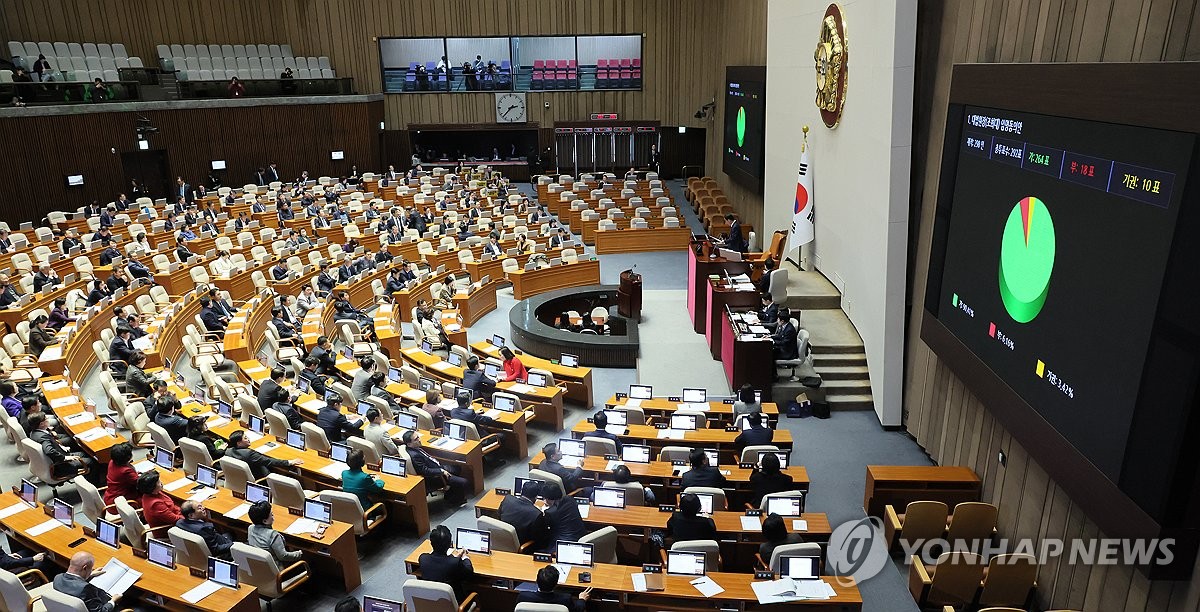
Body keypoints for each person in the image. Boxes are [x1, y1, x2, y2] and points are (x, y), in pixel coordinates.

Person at [403, 430, 468, 506]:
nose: (419, 439)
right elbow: (425, 471)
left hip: (437, 467)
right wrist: (441, 471)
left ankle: (449, 493)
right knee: (464, 482)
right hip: (435, 476)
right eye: (416, 439)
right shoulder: (414, 456)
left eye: (418, 437)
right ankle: (455, 500)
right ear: (409, 444)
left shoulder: (413, 448)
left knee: (457, 468)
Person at [30, 413, 95, 479]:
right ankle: (93, 483)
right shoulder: (42, 437)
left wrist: (60, 446)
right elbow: (49, 451)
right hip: (62, 465)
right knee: (92, 461)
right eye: (46, 419)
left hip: (60, 455)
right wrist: (64, 458)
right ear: (41, 424)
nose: (48, 420)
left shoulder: (34, 433)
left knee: (83, 453)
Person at [418, 525, 474, 599]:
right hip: (454, 604)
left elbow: (443, 563)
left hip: (430, 601)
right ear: (450, 544)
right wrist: (464, 557)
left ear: (431, 543)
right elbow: (469, 571)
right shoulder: (454, 563)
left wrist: (457, 557)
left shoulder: (423, 558)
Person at [54, 552, 119, 612]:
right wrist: (113, 601)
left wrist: (89, 575)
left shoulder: (57, 578)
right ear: (85, 568)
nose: (91, 570)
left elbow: (72, 582)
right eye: (91, 568)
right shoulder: (86, 588)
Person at [226, 430, 303, 478]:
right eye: (245, 438)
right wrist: (290, 462)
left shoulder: (228, 451)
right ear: (239, 443)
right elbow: (269, 461)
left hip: (241, 478)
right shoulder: (249, 453)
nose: (248, 439)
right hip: (260, 476)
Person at [247, 500, 303, 565]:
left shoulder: (250, 528)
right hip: (276, 570)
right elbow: (283, 556)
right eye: (271, 515)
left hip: (258, 566)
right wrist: (299, 553)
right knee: (309, 563)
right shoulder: (273, 535)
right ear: (265, 521)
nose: (273, 516)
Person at [500, 479, 549, 551]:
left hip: (502, 538)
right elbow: (539, 538)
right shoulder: (536, 514)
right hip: (521, 544)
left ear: (521, 491)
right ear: (536, 497)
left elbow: (498, 516)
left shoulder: (508, 499)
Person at [516, 565, 591, 612]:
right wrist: (582, 599)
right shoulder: (565, 599)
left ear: (536, 581)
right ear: (556, 584)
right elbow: (577, 610)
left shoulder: (523, 596)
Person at [542, 482, 586, 548]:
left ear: (547, 499)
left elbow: (547, 529)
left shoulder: (550, 512)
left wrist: (544, 511)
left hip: (563, 544)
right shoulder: (570, 499)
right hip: (580, 538)